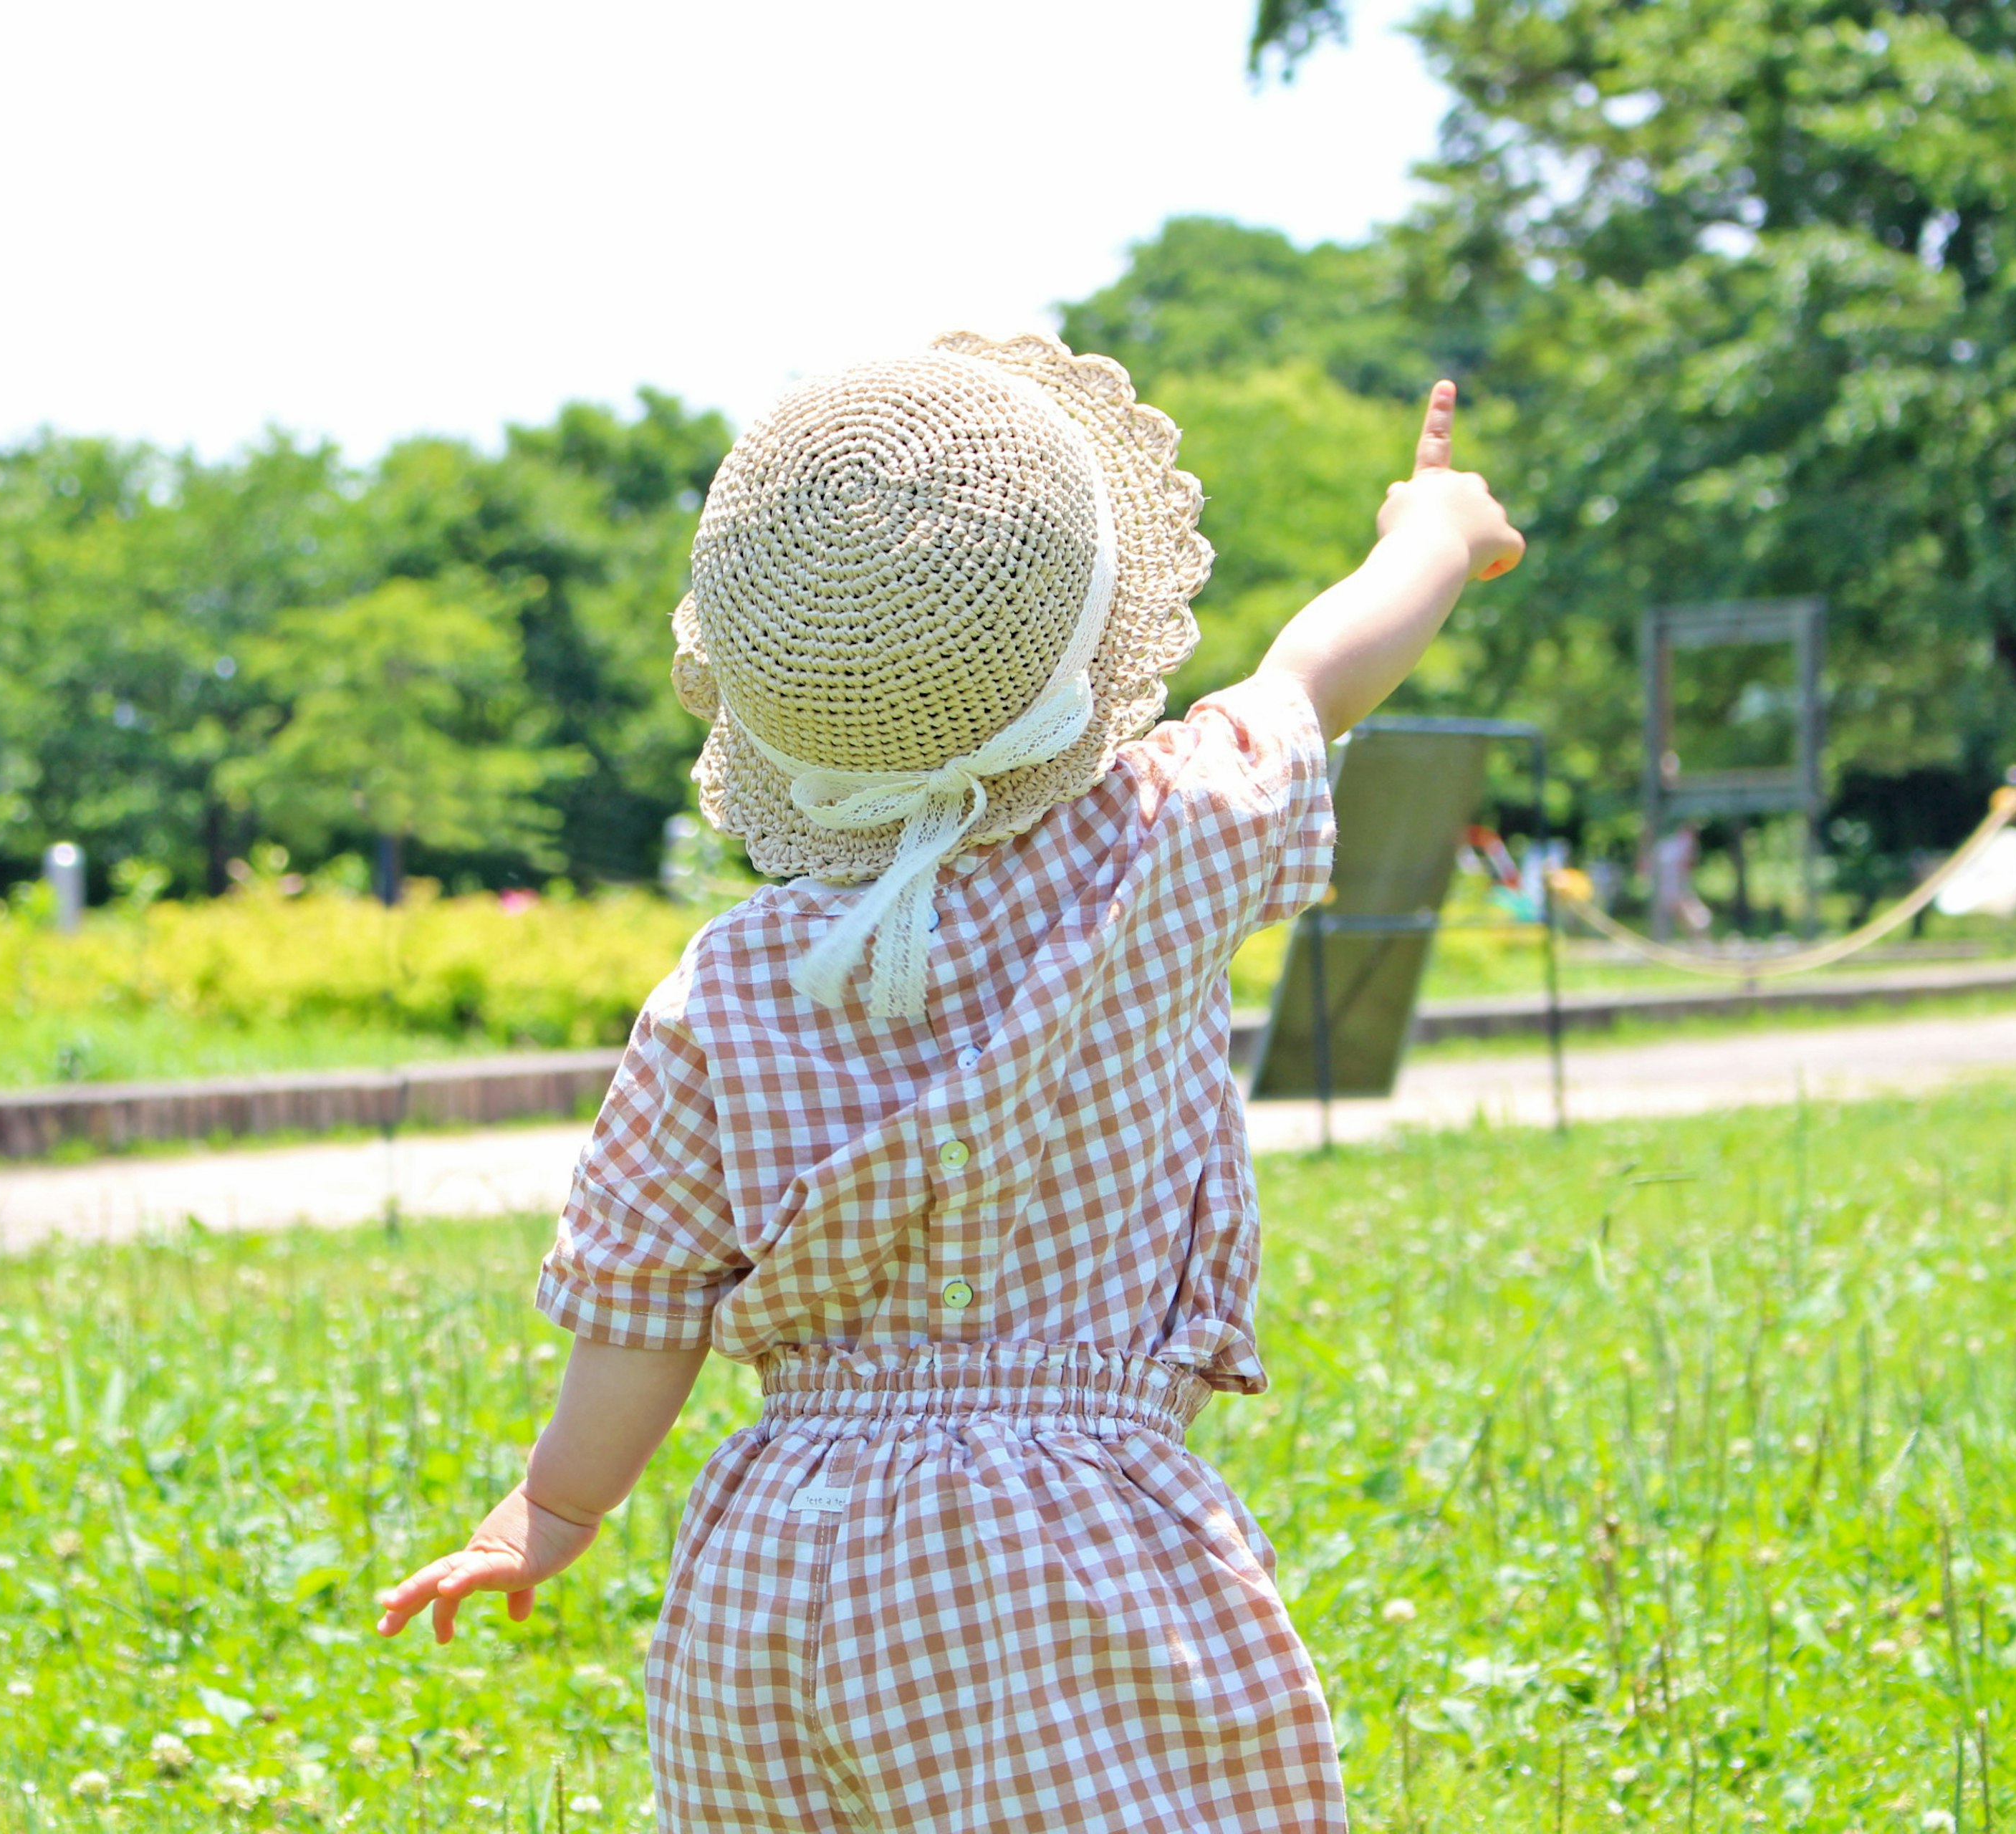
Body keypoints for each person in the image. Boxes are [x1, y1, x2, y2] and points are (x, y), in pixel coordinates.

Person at [378, 334, 1525, 1832]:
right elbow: (1315, 675)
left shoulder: (729, 981)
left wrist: (552, 1508)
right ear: (1090, 630)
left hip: (774, 1567)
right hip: (1046, 1552)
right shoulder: (1156, 844)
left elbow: (641, 1300)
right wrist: (1434, 532)